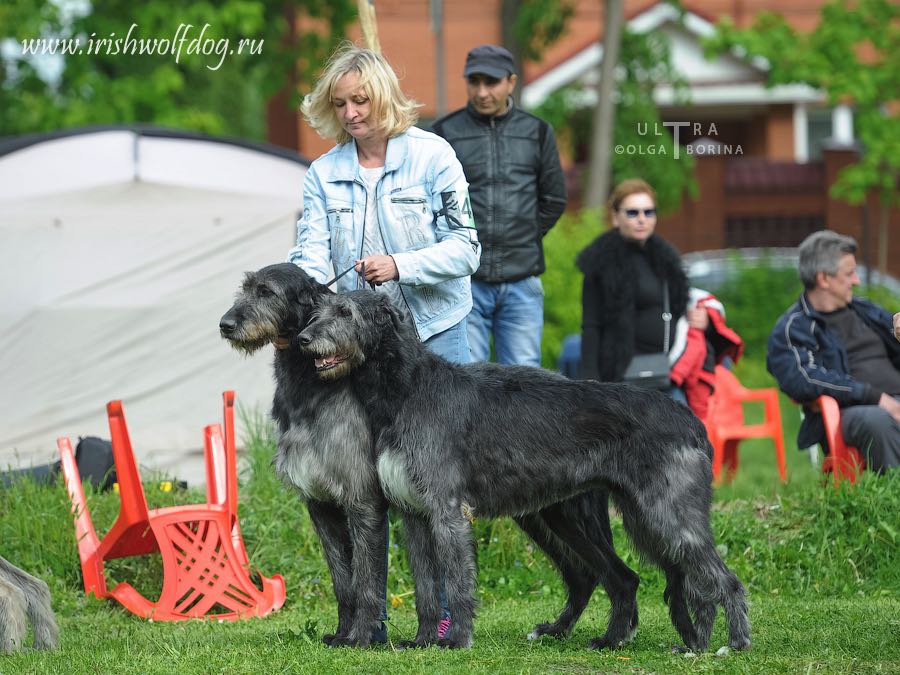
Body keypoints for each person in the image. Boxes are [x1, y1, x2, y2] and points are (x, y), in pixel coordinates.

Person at [288, 43, 481, 641]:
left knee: (436, 487)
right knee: (381, 484)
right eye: (339, 103)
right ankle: (382, 615)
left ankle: (448, 615)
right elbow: (311, 256)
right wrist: (296, 300)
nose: (349, 113)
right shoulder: (323, 173)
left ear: (384, 97)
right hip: (361, 355)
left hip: (436, 335)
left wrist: (401, 264)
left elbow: (467, 248)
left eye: (360, 100)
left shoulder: (434, 157)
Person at [431, 44, 567, 366]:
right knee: (468, 381)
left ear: (511, 82)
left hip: (523, 280)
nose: (481, 91)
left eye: (491, 82)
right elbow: (431, 203)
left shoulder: (537, 132)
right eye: (474, 82)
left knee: (525, 380)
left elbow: (555, 198)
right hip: (465, 279)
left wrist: (523, 237)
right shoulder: (444, 133)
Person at [767, 230, 900, 472]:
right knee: (878, 421)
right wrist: (877, 398)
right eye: (849, 273)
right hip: (851, 411)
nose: (857, 281)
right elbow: (804, 379)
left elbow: (893, 329)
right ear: (824, 279)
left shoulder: (864, 310)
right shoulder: (794, 327)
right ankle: (892, 500)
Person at [576, 178, 694, 401]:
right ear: (615, 217)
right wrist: (590, 384)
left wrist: (699, 316)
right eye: (633, 212)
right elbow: (591, 326)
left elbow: (680, 306)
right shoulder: (600, 262)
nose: (642, 219)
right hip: (621, 378)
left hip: (666, 371)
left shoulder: (666, 259)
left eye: (649, 212)